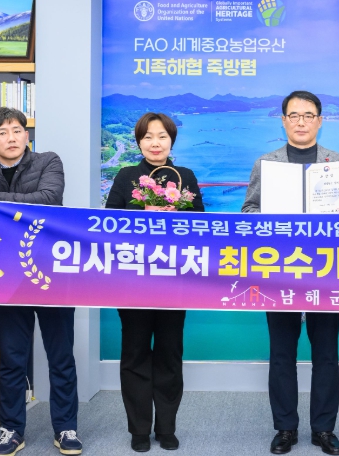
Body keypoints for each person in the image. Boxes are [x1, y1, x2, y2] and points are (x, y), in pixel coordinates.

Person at [242, 90, 339, 455]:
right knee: (282, 353)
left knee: (326, 354)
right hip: (279, 272)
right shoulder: (266, 163)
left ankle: (324, 429)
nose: (301, 122)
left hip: (325, 273)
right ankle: (285, 428)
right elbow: (248, 212)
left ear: (319, 121)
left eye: (309, 115)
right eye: (294, 115)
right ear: (283, 121)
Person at [0, 108, 82, 456]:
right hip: (6, 280)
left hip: (52, 275)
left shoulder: (48, 162)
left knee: (60, 356)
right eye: (2, 133)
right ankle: (12, 430)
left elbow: (49, 200)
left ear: (26, 135)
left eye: (17, 130)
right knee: (12, 359)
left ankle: (66, 428)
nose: (12, 137)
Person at [105, 112, 204, 452]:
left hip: (174, 280)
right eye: (148, 137)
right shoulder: (126, 176)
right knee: (134, 352)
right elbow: (109, 223)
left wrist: (179, 215)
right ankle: (138, 429)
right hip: (132, 280)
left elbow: (202, 226)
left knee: (169, 353)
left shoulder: (185, 177)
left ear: (171, 140)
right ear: (139, 142)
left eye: (162, 136)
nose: (155, 143)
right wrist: (141, 215)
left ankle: (166, 427)